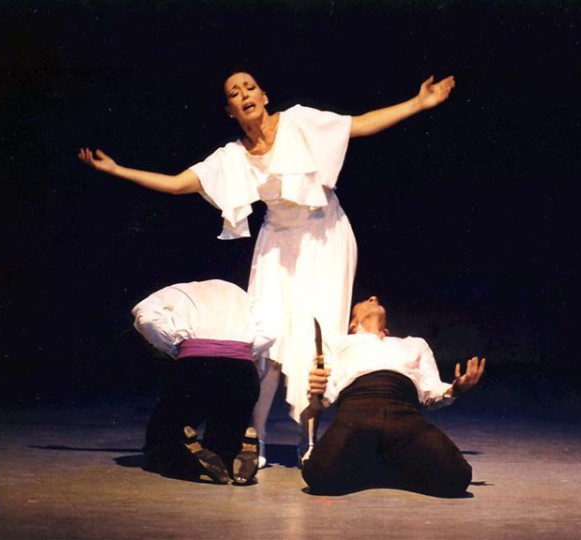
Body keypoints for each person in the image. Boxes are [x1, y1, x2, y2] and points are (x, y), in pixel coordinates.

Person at [78, 70, 456, 466]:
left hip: (326, 235)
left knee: (318, 335)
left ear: (263, 94)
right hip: (277, 240)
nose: (245, 94)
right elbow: (178, 184)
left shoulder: (298, 121)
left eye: (250, 87)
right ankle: (252, 438)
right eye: (234, 92)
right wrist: (117, 170)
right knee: (265, 335)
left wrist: (418, 102)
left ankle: (307, 440)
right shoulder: (234, 156)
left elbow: (357, 126)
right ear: (229, 110)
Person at [301, 295, 485, 497]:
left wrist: (455, 389)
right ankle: (387, 461)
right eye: (366, 301)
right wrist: (318, 390)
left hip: (404, 413)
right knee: (318, 475)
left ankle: (377, 462)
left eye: (375, 299)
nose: (374, 297)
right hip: (357, 411)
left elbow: (430, 392)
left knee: (457, 477)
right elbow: (326, 396)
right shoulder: (337, 342)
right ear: (353, 325)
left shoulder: (415, 344)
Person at [131, 279, 274, 485]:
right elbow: (270, 331)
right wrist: (244, 353)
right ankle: (230, 459)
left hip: (195, 366)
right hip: (242, 370)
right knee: (225, 435)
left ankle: (188, 461)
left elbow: (146, 318)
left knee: (166, 432)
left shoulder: (173, 292)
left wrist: (173, 348)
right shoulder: (243, 296)